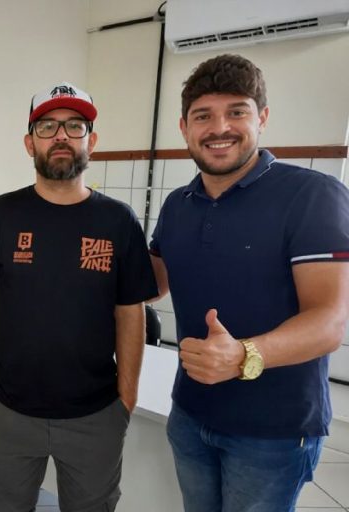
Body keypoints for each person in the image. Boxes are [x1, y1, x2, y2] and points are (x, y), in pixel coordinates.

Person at [150, 54, 349, 512]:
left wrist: (243, 355)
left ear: (261, 117)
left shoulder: (311, 196)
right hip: (189, 413)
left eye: (236, 111)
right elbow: (150, 282)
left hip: (272, 430)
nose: (219, 127)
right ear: (184, 127)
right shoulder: (179, 204)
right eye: (204, 115)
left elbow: (329, 321)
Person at [0, 82, 157, 511]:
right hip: (8, 412)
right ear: (29, 143)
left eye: (74, 125)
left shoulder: (118, 221)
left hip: (96, 415)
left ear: (93, 140)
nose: (62, 136)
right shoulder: (1, 214)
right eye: (48, 126)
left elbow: (131, 312)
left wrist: (126, 398)